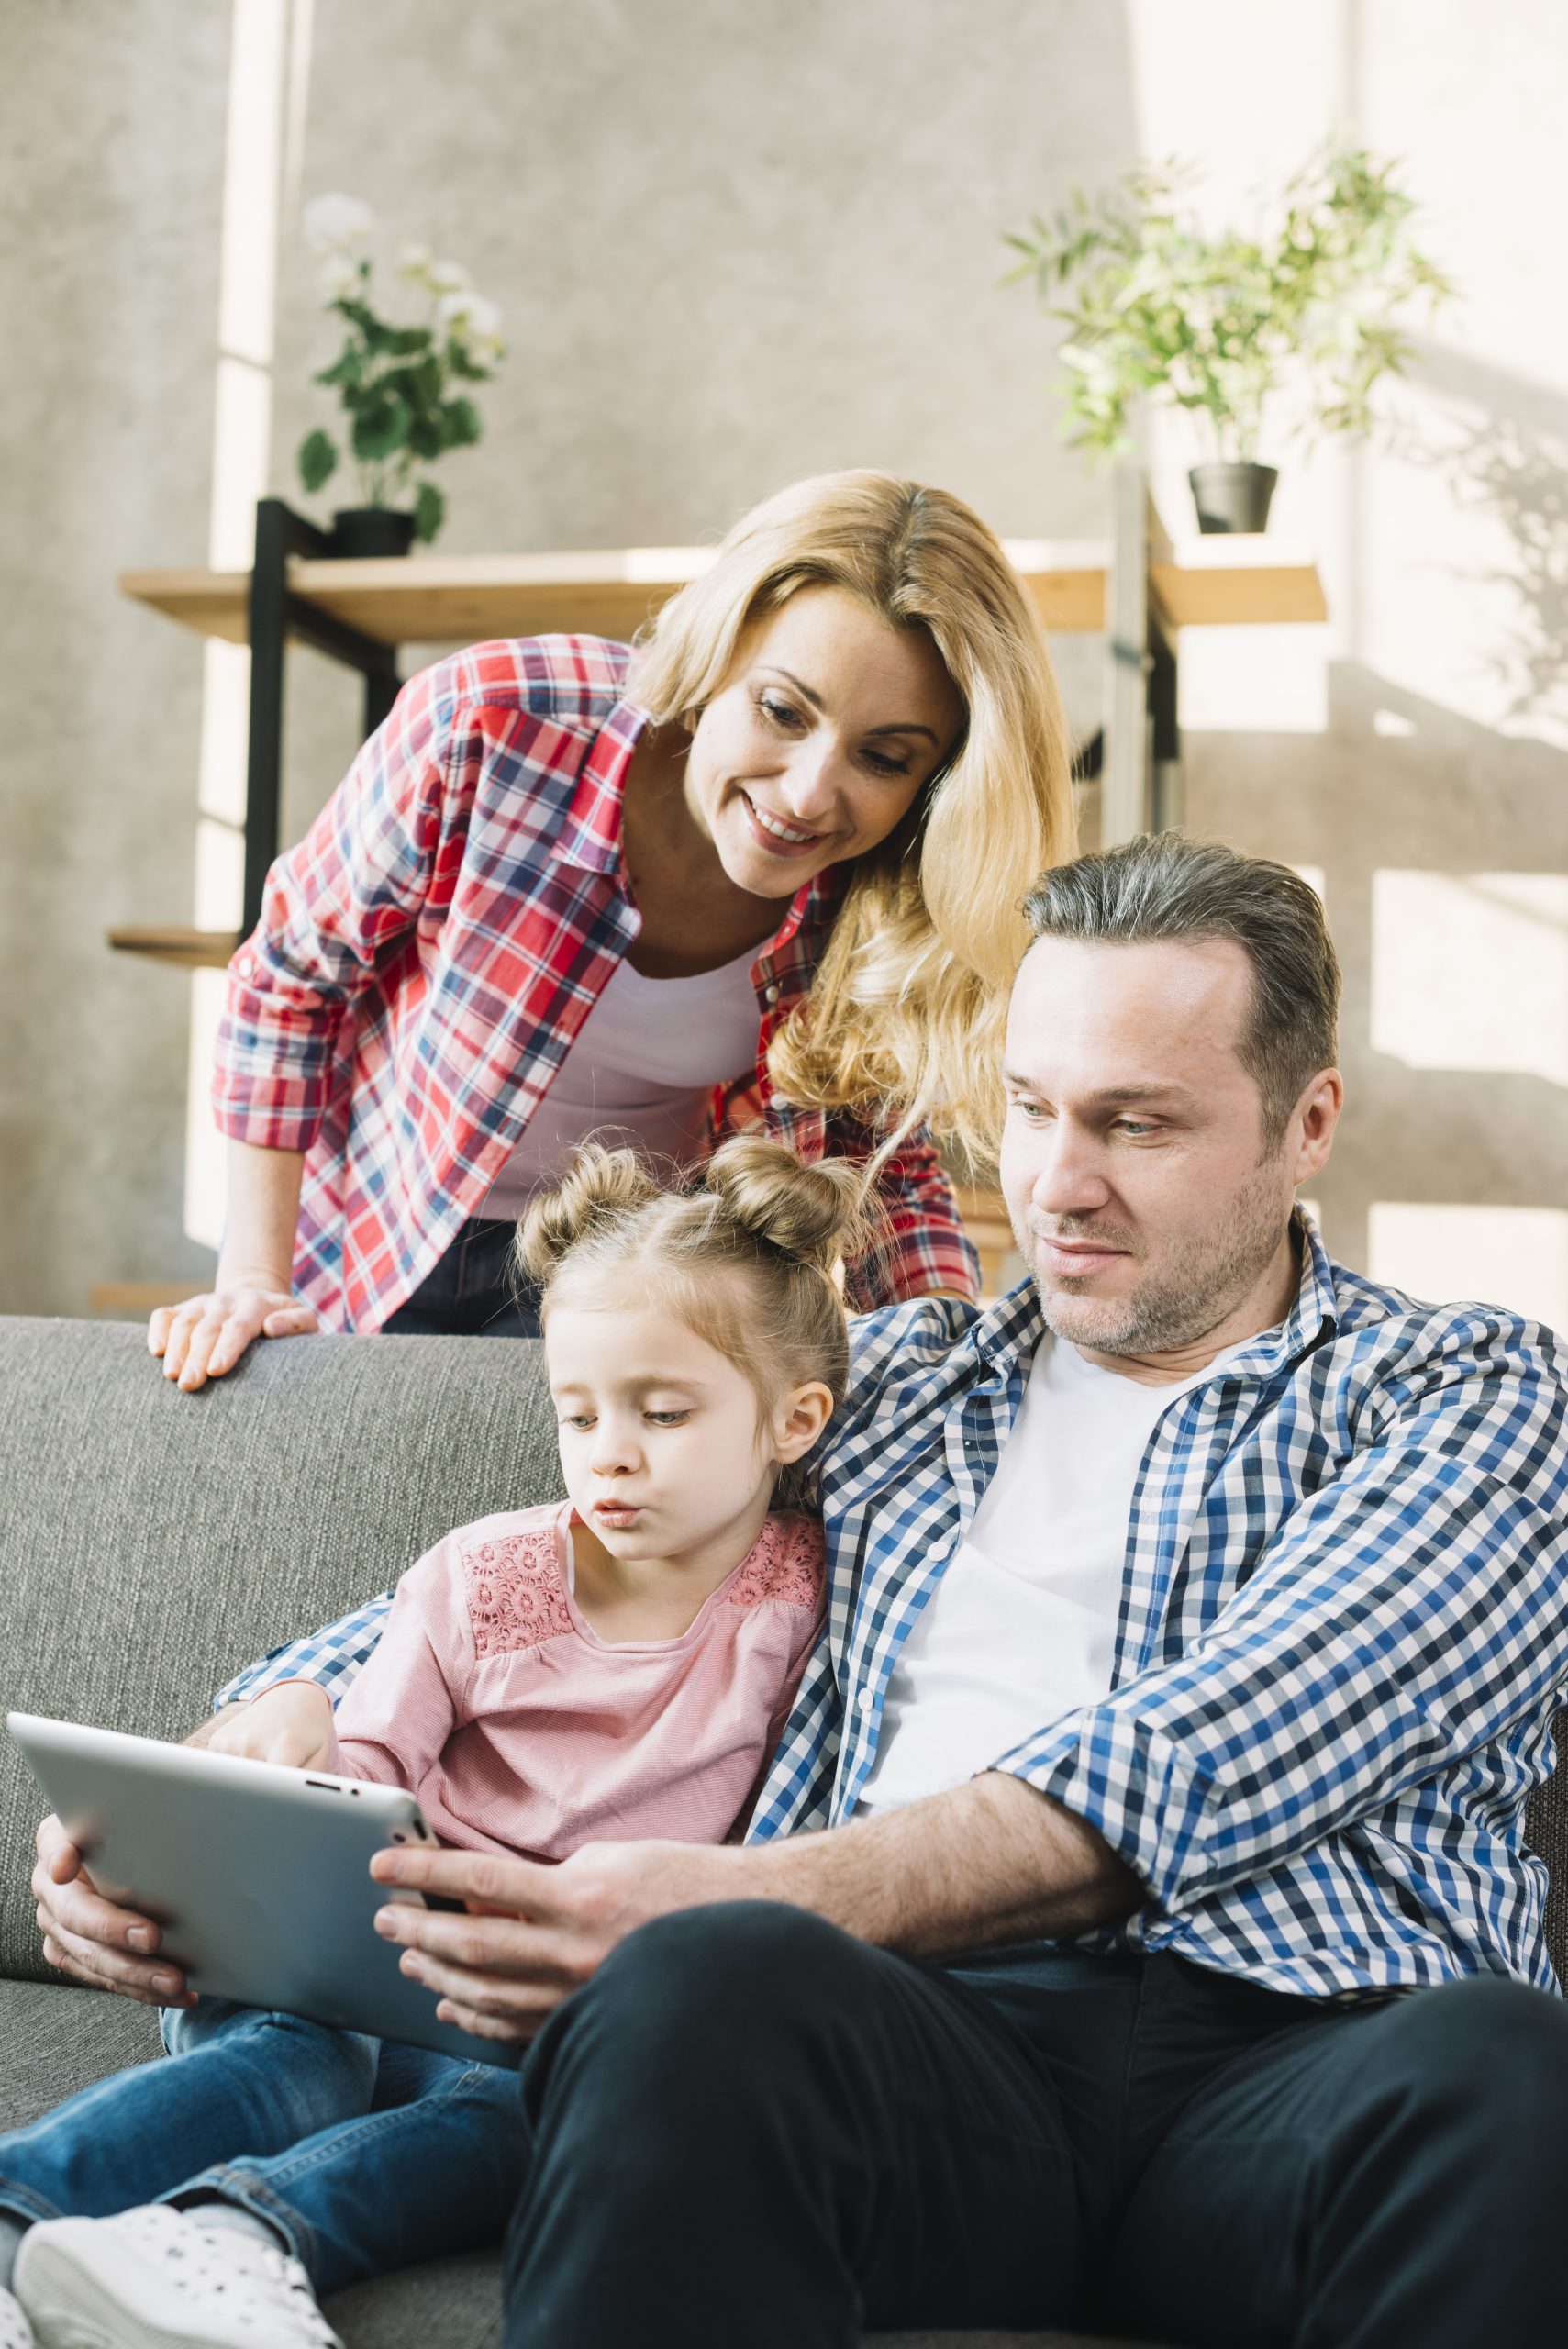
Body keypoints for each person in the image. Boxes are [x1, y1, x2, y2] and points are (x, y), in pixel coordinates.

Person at [41, 835, 1568, 2347]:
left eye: (1136, 1124)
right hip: (914, 2047)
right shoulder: (895, 1378)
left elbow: (1240, 1735)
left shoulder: (1466, 1390)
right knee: (703, 1985)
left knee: (1505, 2073)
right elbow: (558, 1567)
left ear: (1305, 1125)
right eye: (1029, 1111)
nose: (1055, 1183)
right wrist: (238, 1757)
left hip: (1304, 2064)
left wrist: (761, 1888)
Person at [6, 1137, 862, 2349]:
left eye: (663, 1413)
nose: (609, 1451)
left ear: (795, 1421)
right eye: (578, 1412)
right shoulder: (482, 1574)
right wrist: (285, 1774)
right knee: (301, 2065)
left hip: (530, 2028)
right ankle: (11, 2216)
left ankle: (218, 2239)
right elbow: (365, 1777)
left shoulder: (809, 1604)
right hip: (350, 1972)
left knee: (532, 2117)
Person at [148, 469, 1076, 1390]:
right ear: (718, 648)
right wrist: (251, 1280)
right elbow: (291, 978)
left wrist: (954, 1374)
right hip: (374, 1230)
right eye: (780, 710)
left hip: (614, 1275)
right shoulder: (490, 723)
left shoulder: (882, 896)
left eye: (882, 757)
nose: (806, 795)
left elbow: (884, 1168)